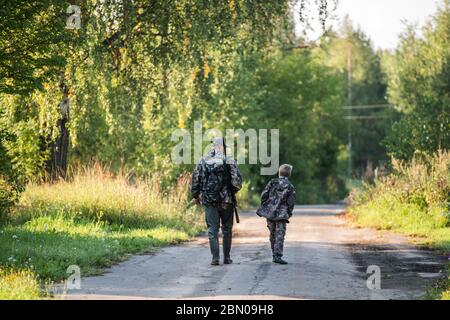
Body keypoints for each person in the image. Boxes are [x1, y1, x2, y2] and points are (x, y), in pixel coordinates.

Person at [190, 137, 242, 265]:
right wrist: (233, 191)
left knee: (212, 230)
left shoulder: (202, 160)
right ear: (223, 147)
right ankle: (227, 257)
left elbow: (195, 180)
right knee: (227, 229)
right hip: (226, 201)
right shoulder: (229, 160)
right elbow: (237, 181)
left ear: (212, 146)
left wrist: (196, 195)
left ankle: (215, 258)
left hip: (209, 200)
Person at [256, 164, 296, 265]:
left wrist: (265, 206)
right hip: (282, 214)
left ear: (279, 172)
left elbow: (264, 195)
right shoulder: (290, 185)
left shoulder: (272, 182)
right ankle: (277, 255)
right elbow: (291, 201)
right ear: (289, 174)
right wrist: (289, 212)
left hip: (270, 212)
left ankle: (274, 253)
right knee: (280, 234)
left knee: (272, 233)